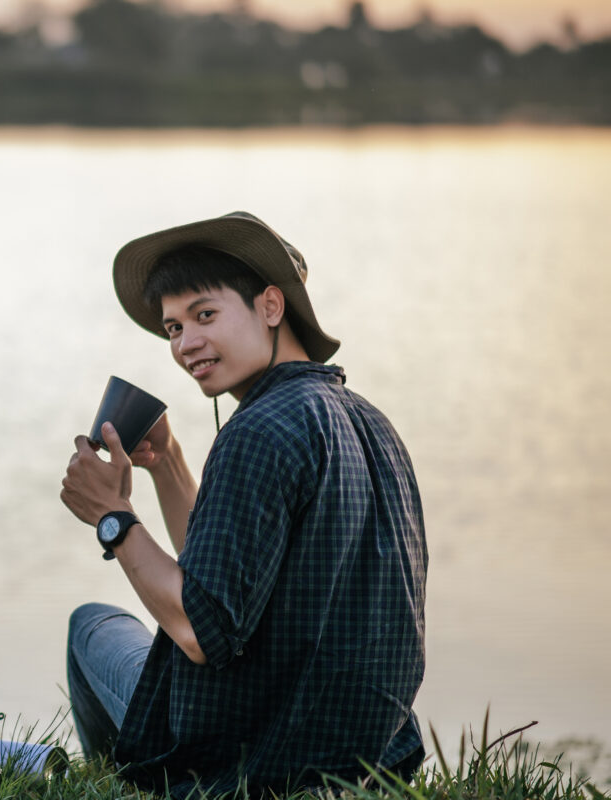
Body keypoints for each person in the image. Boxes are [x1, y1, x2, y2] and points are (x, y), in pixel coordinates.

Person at [59, 212, 427, 796]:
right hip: (364, 759)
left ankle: (134, 789)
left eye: (205, 314)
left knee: (94, 626)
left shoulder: (259, 430)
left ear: (270, 306)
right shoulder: (371, 423)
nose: (186, 344)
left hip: (251, 760)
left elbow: (203, 633)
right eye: (173, 328)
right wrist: (170, 462)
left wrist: (113, 519)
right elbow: (227, 583)